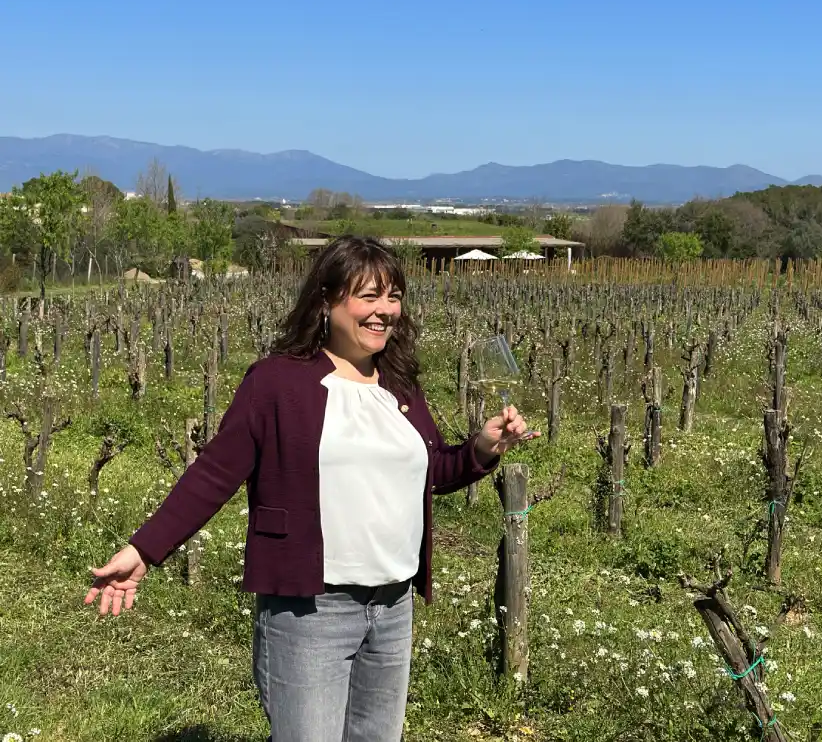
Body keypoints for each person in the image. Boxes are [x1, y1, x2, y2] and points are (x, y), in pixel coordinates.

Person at [85, 235, 539, 741]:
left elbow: (429, 471)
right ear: (326, 301)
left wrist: (479, 450)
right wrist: (145, 549)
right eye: (368, 296)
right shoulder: (277, 382)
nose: (384, 311)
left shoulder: (400, 384)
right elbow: (215, 472)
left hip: (392, 608)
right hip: (311, 610)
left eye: (393, 297)